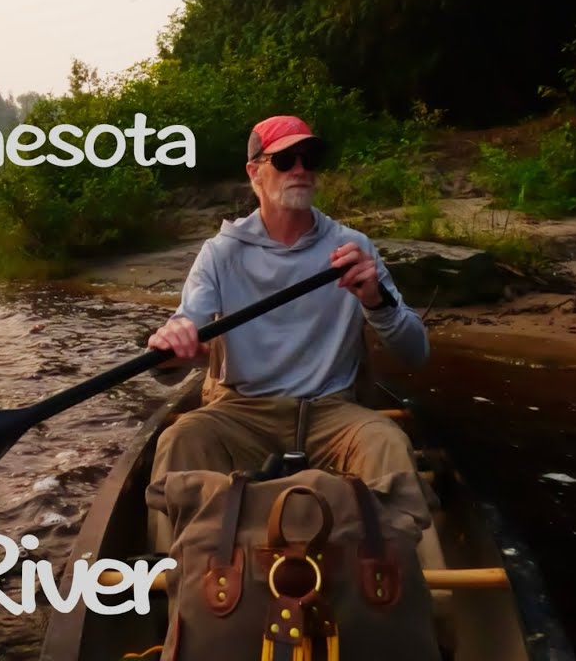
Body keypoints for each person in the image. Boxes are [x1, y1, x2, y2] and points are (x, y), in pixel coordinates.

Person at [145, 114, 444, 571]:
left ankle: (426, 615)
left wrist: (376, 301)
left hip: (332, 413)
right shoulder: (221, 253)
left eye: (310, 158)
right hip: (242, 411)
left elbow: (415, 353)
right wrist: (171, 344)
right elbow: (178, 343)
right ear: (255, 174)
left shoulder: (352, 248)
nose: (300, 169)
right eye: (285, 159)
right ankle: (177, 606)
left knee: (388, 442)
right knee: (180, 439)